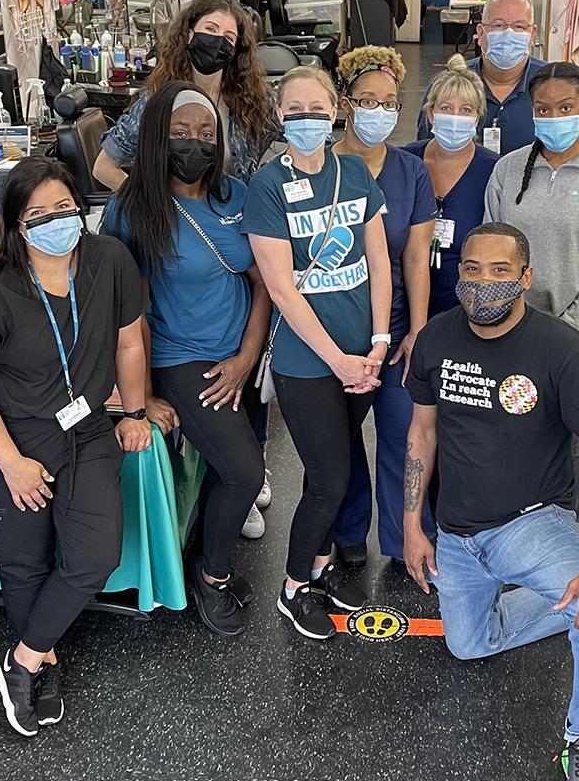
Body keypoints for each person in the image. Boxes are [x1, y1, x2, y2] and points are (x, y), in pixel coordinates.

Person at [403, 222, 579, 781]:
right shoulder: (434, 340)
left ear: (525, 279)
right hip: (456, 532)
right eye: (473, 270)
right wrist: (410, 524)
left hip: (533, 523)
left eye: (500, 271)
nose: (484, 283)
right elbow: (422, 434)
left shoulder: (559, 350)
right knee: (469, 645)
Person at [0, 158, 152, 737]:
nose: (56, 221)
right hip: (6, 443)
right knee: (24, 563)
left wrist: (134, 411)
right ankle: (45, 660)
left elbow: (130, 342)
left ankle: (22, 658)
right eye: (37, 214)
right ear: (14, 225)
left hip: (85, 434)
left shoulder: (108, 259)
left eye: (64, 208)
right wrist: (11, 463)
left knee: (94, 558)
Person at [102, 82, 271, 635]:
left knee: (235, 465)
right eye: (180, 134)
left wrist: (248, 356)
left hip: (240, 355)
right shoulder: (133, 209)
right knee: (245, 472)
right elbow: (128, 314)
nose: (194, 145)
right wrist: (141, 395)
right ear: (156, 139)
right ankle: (212, 577)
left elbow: (263, 280)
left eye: (205, 134)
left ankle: (204, 546)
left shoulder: (238, 196)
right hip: (181, 360)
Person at [244, 65, 391, 639]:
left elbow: (379, 264)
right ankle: (292, 586)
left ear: (337, 112)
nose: (307, 119)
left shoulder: (354, 173)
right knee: (329, 476)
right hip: (309, 362)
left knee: (342, 465)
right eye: (295, 110)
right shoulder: (268, 186)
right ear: (281, 117)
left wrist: (377, 344)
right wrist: (338, 360)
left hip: (362, 353)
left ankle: (322, 564)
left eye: (317, 108)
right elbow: (281, 288)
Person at [484, 61, 579, 520]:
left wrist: (560, 337)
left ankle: (560, 528)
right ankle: (509, 523)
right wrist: (506, 323)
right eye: (543, 109)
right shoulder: (509, 171)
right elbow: (491, 251)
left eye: (565, 107)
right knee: (511, 429)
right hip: (510, 332)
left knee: (569, 439)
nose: (554, 117)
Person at [329, 45, 435, 566]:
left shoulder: (410, 172)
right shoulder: (320, 165)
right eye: (368, 99)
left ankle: (404, 542)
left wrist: (416, 330)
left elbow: (416, 256)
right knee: (339, 445)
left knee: (404, 435)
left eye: (391, 101)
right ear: (345, 102)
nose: (380, 111)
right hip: (335, 336)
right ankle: (348, 536)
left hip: (393, 336)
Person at [95, 0, 278, 190]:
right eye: (210, 29)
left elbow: (299, 131)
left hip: (235, 214)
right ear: (190, 34)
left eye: (228, 37)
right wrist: (149, 204)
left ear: (236, 50)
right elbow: (103, 167)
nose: (218, 41)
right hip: (175, 218)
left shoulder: (254, 100)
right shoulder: (157, 101)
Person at [403, 53, 497, 319]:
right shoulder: (406, 162)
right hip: (405, 304)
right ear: (430, 113)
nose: (455, 117)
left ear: (477, 118)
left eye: (466, 110)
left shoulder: (494, 171)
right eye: (446, 108)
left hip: (467, 309)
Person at [414, 0, 547, 154]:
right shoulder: (449, 84)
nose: (508, 34)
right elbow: (425, 151)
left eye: (519, 26)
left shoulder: (550, 84)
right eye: (498, 25)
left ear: (532, 34)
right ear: (481, 32)